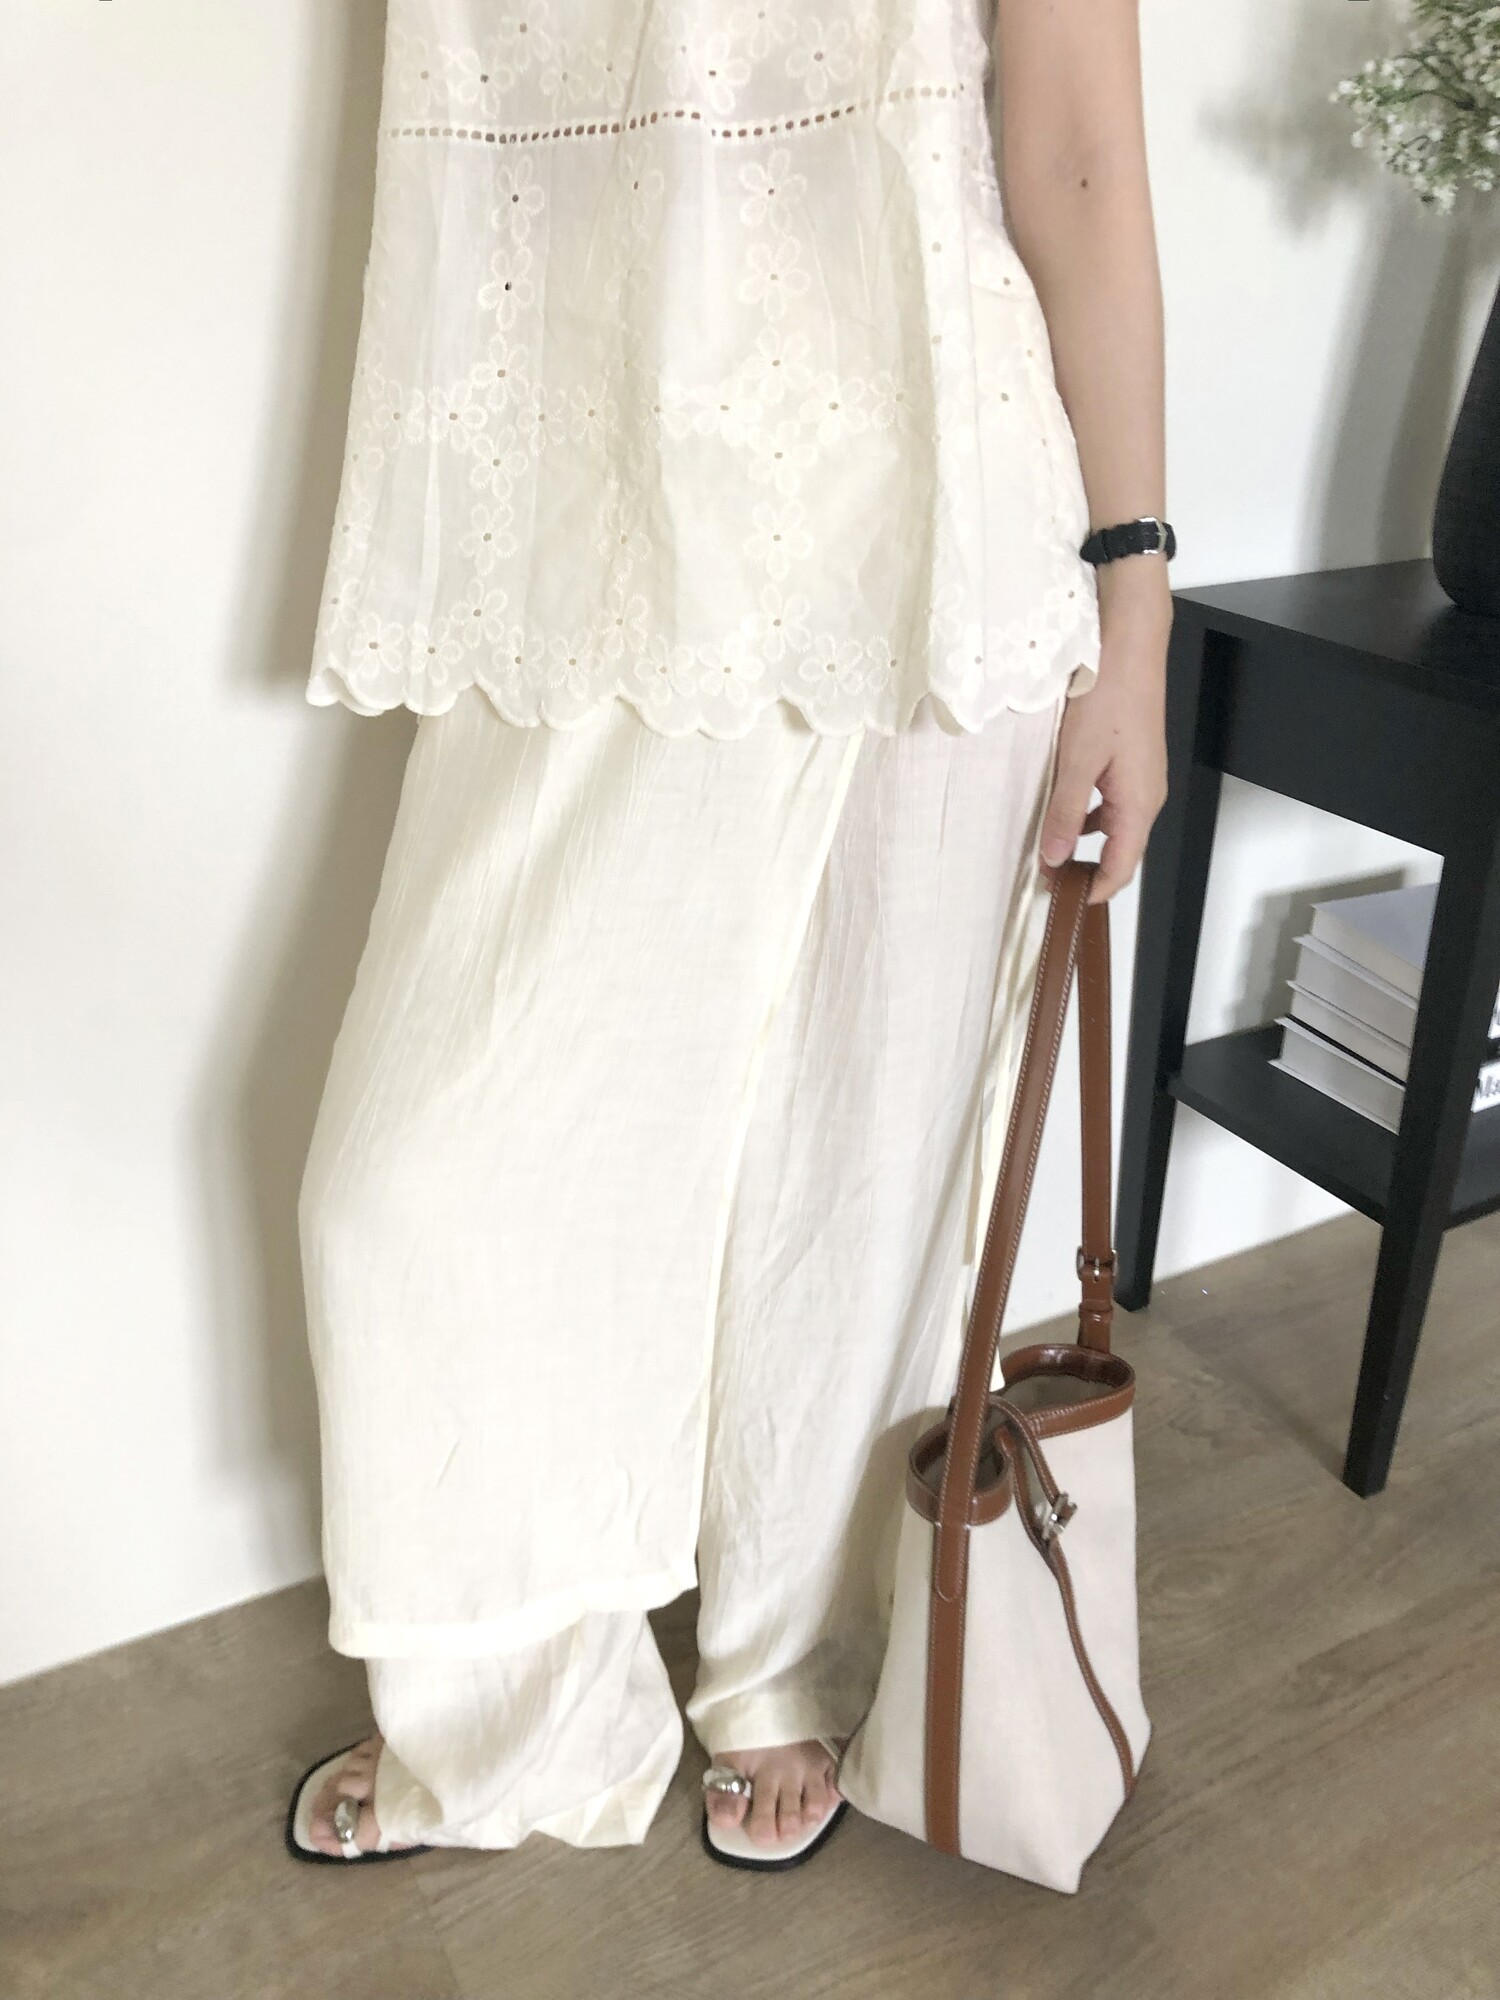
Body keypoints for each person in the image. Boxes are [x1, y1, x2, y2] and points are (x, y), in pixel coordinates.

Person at [286, 0, 1170, 1869]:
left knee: (856, 1157)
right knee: (415, 1177)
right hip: (591, 515)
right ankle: (519, 1703)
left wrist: (1137, 616)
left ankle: (787, 1654)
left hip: (943, 509)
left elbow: (1080, 146)